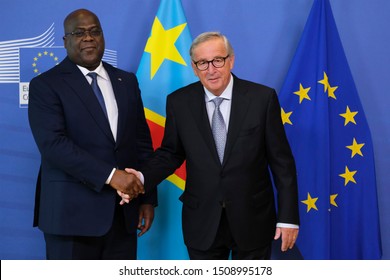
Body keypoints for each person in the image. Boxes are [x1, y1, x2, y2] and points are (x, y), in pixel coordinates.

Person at [121, 31, 300, 260]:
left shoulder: (262, 99)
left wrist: (288, 218)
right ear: (194, 68)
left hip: (253, 220)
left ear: (231, 60)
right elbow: (170, 154)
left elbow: (282, 163)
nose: (211, 69)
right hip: (202, 221)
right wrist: (141, 178)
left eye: (217, 60)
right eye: (203, 63)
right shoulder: (179, 102)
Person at [28, 9, 156, 260]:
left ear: (103, 37)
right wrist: (111, 176)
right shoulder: (46, 85)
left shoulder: (126, 81)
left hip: (123, 216)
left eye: (94, 31)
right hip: (70, 219)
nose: (88, 38)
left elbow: (141, 143)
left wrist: (147, 198)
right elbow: (53, 145)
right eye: (79, 33)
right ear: (66, 41)